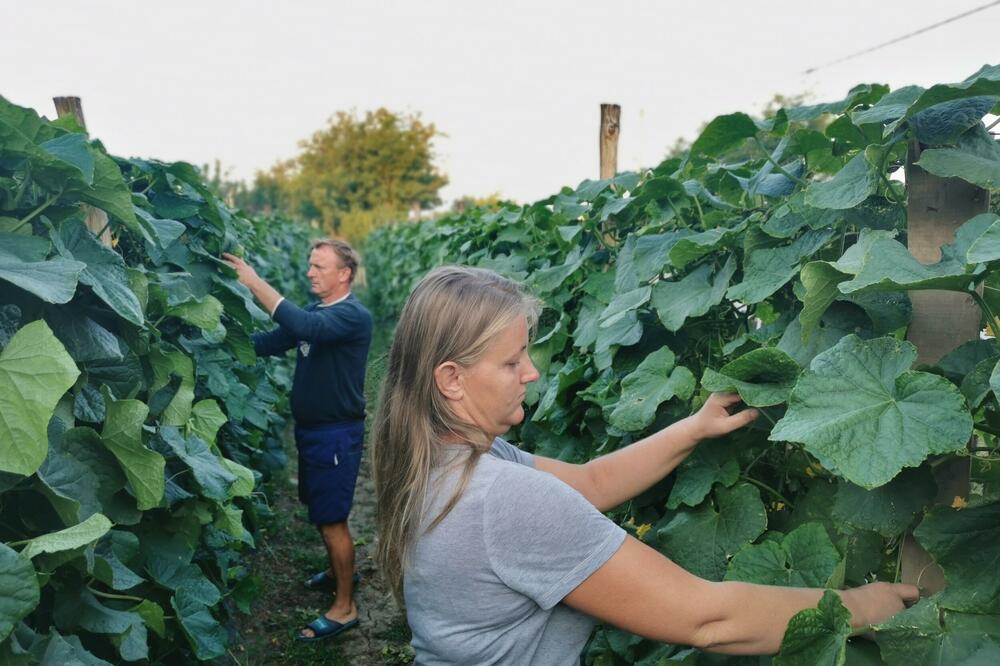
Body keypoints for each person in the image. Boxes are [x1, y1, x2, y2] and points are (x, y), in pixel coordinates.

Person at [371, 265, 918, 665]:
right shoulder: (503, 498)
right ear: (451, 378)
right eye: (512, 361)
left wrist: (695, 427)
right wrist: (859, 604)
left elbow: (592, 482)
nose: (532, 373)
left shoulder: (445, 460)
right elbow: (707, 619)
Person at [223, 239, 372, 642]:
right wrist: (219, 340)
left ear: (344, 274)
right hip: (312, 432)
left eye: (319, 266)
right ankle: (337, 573)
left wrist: (254, 282)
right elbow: (271, 343)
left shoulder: (352, 316)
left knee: (332, 520)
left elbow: (307, 330)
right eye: (310, 264)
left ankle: (345, 608)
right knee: (319, 507)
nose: (310, 272)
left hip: (335, 435)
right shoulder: (316, 312)